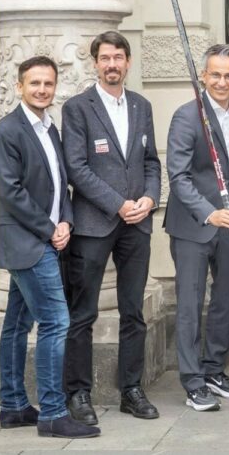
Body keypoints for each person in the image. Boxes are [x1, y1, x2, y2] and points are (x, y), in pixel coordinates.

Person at [0, 56, 99, 439]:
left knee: (18, 325)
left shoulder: (50, 129)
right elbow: (11, 192)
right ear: (19, 86)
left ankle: (15, 406)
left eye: (48, 84)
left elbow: (62, 183)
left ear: (55, 87)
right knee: (56, 322)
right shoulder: (6, 131)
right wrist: (50, 229)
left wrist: (66, 220)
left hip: (47, 238)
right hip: (28, 244)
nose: (41, 90)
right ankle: (52, 412)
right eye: (34, 83)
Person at [60, 31, 162, 424]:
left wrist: (150, 199)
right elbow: (77, 169)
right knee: (82, 313)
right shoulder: (77, 108)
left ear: (128, 62)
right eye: (105, 58)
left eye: (118, 57)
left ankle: (131, 390)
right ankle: (79, 393)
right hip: (93, 225)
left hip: (137, 225)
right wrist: (119, 204)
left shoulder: (141, 106)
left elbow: (151, 160)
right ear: (95, 63)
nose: (112, 64)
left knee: (133, 311)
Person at [165, 44, 229, 412]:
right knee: (189, 302)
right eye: (214, 74)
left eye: (228, 75)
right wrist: (209, 213)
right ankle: (193, 381)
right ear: (203, 76)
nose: (221, 81)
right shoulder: (188, 116)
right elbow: (179, 175)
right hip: (193, 224)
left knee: (226, 296)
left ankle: (214, 369)